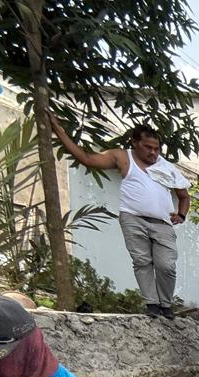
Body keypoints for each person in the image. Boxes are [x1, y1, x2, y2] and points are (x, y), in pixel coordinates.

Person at [50, 118, 191, 318]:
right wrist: (59, 130)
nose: (152, 152)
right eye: (147, 147)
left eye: (156, 148)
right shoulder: (123, 157)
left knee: (166, 265)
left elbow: (184, 196)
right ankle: (152, 304)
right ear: (134, 142)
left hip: (162, 222)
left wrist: (182, 215)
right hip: (132, 218)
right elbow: (87, 159)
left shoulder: (167, 167)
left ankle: (165, 304)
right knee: (142, 261)